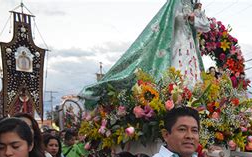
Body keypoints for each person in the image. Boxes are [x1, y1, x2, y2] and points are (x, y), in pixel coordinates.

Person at [80, 0, 210, 106]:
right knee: (176, 76)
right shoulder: (175, 2)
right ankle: (175, 103)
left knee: (192, 78)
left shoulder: (194, 6)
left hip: (190, 46)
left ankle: (191, 102)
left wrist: (196, 13)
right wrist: (186, 16)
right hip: (177, 45)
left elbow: (205, 26)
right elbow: (172, 18)